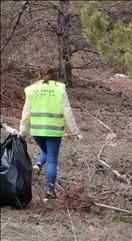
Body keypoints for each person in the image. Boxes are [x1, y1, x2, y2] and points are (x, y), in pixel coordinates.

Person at [18, 64, 83, 201]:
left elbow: (26, 113)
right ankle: (49, 192)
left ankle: (38, 165)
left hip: (37, 131)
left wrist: (22, 133)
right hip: (54, 131)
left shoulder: (31, 89)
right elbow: (68, 113)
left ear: (39, 74)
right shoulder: (60, 89)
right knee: (52, 160)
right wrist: (75, 132)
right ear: (54, 74)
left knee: (46, 152)